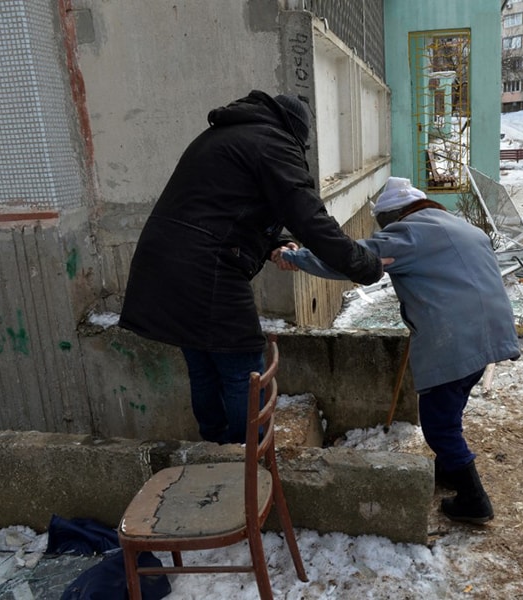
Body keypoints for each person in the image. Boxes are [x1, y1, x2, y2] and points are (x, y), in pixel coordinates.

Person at [119, 90, 384, 444]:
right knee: (243, 365)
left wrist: (273, 241)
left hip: (164, 262)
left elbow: (224, 207)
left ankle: (215, 448)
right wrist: (365, 266)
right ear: (297, 135)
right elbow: (311, 219)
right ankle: (246, 455)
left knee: (202, 363)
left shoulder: (226, 135)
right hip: (206, 268)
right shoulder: (273, 142)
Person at [276, 176, 520, 524]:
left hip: (455, 339)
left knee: (439, 425)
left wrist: (298, 258)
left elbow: (353, 260)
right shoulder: (460, 227)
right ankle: (450, 470)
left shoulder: (410, 233)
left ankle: (473, 500)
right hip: (489, 332)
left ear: (394, 217)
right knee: (451, 409)